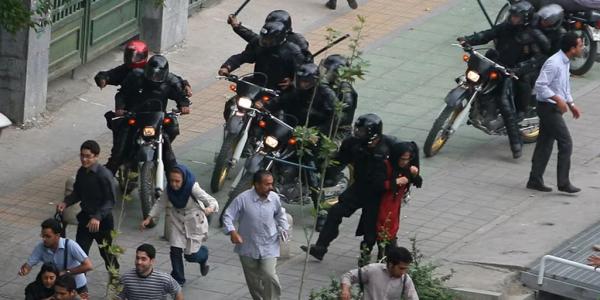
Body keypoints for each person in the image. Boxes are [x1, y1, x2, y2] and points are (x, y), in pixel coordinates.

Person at [458, 1, 551, 159]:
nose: (512, 19)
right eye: (512, 16)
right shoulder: (505, 27)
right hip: (497, 64)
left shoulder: (533, 35)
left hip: (513, 71)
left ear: (525, 19)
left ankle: (516, 144)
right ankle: (480, 108)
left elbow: (538, 57)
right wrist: (469, 40)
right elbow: (488, 34)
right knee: (475, 78)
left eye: (516, 17)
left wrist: (519, 68)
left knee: (504, 101)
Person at [302, 113, 397, 263]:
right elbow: (339, 161)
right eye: (357, 130)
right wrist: (323, 168)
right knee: (335, 212)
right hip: (359, 187)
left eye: (362, 131)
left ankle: (368, 258)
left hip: (379, 193)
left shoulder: (391, 145)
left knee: (371, 228)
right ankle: (320, 248)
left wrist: (406, 180)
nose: (358, 134)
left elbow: (408, 156)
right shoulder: (352, 144)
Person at [106, 54, 191, 174]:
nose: (154, 78)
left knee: (172, 129)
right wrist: (120, 108)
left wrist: (184, 105)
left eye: (158, 76)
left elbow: (180, 95)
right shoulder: (135, 77)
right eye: (152, 74)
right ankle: (107, 176)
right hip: (134, 117)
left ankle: (174, 178)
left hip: (157, 118)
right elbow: (122, 94)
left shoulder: (171, 81)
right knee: (118, 151)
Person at [140, 164, 218, 285]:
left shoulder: (193, 187)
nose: (174, 184)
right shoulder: (169, 189)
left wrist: (210, 208)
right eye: (171, 180)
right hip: (177, 221)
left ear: (184, 179)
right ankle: (178, 278)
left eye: (177, 181)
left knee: (191, 256)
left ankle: (204, 255)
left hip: (194, 222)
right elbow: (161, 202)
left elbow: (212, 201)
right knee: (175, 249)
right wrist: (149, 218)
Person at [527, 32, 583, 193]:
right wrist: (557, 99)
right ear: (572, 48)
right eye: (580, 45)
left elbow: (563, 87)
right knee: (566, 142)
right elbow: (540, 85)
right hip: (548, 108)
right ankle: (563, 183)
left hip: (554, 107)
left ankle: (534, 179)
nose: (582, 48)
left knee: (545, 144)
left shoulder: (565, 62)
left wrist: (571, 103)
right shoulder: (554, 63)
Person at [222, 170, 290, 300]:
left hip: (269, 244)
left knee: (269, 274)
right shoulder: (243, 199)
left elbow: (280, 215)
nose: (271, 187)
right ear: (256, 184)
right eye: (267, 184)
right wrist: (232, 232)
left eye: (271, 184)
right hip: (248, 246)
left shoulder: (274, 198)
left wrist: (284, 228)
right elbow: (227, 216)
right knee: (253, 281)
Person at [56, 140, 120, 277]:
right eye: (82, 156)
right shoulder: (81, 172)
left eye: (88, 156)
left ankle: (115, 280)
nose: (84, 159)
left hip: (102, 222)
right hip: (85, 218)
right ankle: (80, 286)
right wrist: (66, 202)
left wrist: (97, 217)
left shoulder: (104, 175)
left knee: (107, 253)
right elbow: (77, 193)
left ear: (96, 157)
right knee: (80, 254)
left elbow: (110, 200)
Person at [219, 21, 305, 91]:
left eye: (268, 39)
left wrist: (293, 81)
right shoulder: (260, 47)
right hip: (258, 83)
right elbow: (242, 57)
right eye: (264, 38)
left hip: (280, 89)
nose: (265, 41)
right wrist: (227, 66)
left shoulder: (292, 52)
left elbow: (304, 70)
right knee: (235, 100)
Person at [373, 142, 422, 261]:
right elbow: (377, 184)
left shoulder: (407, 168)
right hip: (381, 204)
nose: (405, 162)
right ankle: (385, 256)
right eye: (402, 159)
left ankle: (388, 257)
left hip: (394, 205)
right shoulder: (385, 166)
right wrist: (395, 182)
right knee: (381, 230)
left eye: (407, 159)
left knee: (392, 229)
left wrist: (415, 175)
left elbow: (418, 183)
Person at [19, 219, 93, 298]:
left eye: (48, 236)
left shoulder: (70, 245)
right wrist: (25, 269)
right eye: (43, 236)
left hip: (77, 287)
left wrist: (66, 272)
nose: (44, 239)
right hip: (58, 289)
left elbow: (88, 266)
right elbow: (29, 264)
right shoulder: (41, 247)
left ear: (57, 236)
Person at [227, 10, 312, 61]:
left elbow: (306, 64)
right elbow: (254, 38)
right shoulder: (267, 39)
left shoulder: (298, 41)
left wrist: (293, 81)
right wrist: (237, 26)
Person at [340, 246, 419, 300]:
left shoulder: (405, 279)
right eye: (401, 268)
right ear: (391, 264)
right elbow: (348, 276)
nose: (403, 272)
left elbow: (413, 297)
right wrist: (345, 290)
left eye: (406, 269)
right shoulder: (373, 270)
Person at [118, 244, 183, 300]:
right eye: (137, 258)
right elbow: (118, 297)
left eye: (143, 259)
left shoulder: (164, 279)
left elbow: (177, 293)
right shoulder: (126, 278)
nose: (139, 262)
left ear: (152, 261)